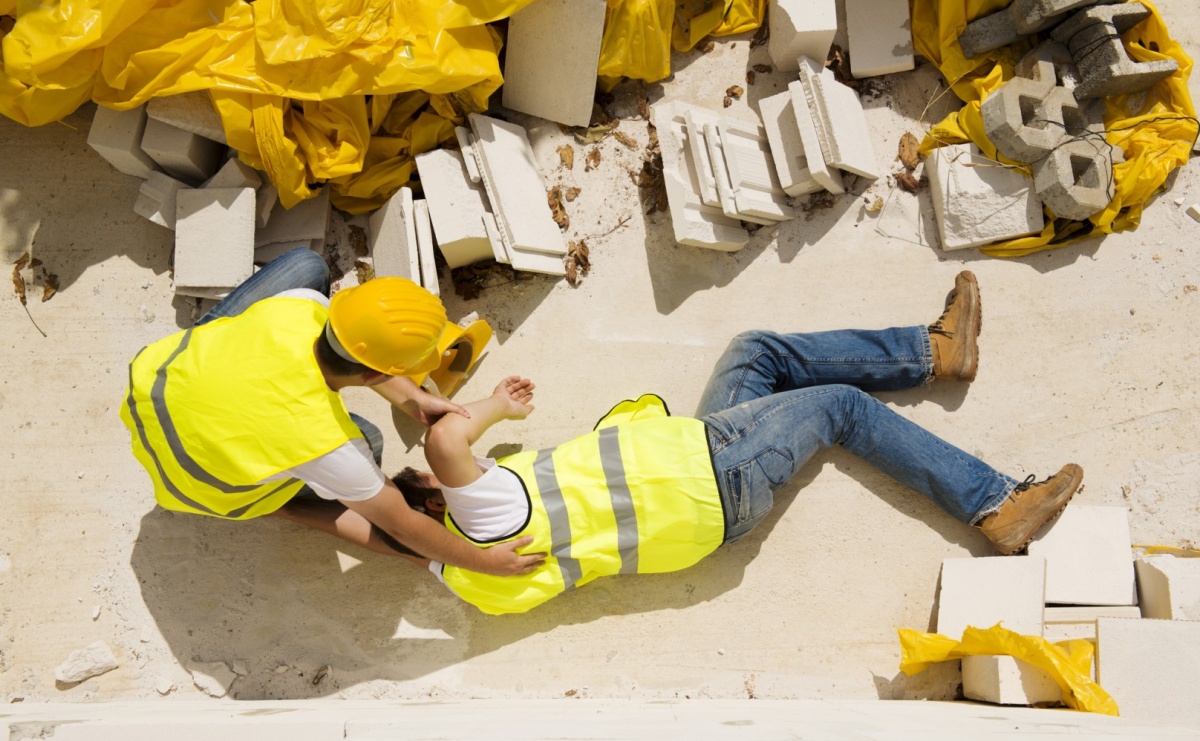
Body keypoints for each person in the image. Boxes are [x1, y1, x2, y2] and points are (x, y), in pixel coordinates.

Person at [389, 271, 1083, 614]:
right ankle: (995, 504)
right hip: (711, 471)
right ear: (437, 499)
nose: (469, 467)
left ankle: (936, 351)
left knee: (756, 353)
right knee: (842, 407)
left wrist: (386, 517)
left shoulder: (470, 579)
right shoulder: (485, 517)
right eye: (431, 481)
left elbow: (378, 523)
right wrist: (492, 407)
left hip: (700, 481)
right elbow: (448, 439)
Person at [119, 246, 545, 577]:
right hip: (198, 485)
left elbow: (358, 354)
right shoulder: (332, 446)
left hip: (153, 386)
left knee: (306, 265)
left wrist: (412, 397)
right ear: (378, 374)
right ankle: (274, 502)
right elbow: (402, 528)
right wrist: (484, 562)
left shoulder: (300, 306)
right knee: (372, 443)